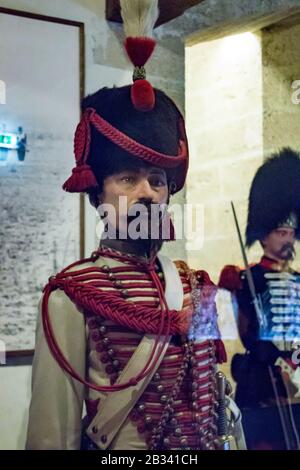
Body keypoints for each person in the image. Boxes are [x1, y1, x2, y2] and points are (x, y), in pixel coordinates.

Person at [26, 0, 242, 450]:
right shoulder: (70, 297)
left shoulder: (195, 288)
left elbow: (219, 406)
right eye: (127, 177)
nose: (147, 192)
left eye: (157, 179)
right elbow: (52, 433)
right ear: (97, 192)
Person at [219, 148, 300, 450]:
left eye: (291, 232)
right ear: (264, 236)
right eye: (281, 232)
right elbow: (242, 330)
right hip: (263, 379)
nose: (288, 239)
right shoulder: (247, 278)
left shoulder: (298, 280)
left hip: (295, 375)